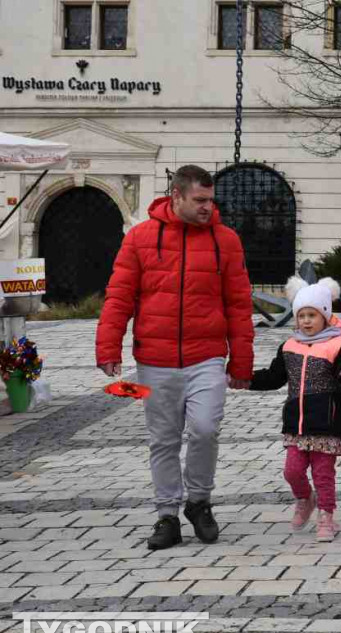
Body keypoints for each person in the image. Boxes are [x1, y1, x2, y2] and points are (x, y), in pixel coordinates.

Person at [96, 165, 255, 550]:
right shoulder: (140, 238)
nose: (207, 207)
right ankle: (167, 514)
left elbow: (238, 304)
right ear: (177, 195)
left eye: (210, 200)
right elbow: (119, 296)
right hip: (154, 360)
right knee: (163, 441)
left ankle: (199, 502)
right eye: (200, 200)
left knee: (204, 429)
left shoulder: (226, 240)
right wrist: (108, 347)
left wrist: (242, 362)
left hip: (207, 358)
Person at [250, 276, 341, 542]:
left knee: (323, 474)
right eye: (302, 316)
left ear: (325, 316)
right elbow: (275, 377)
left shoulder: (338, 345)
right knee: (292, 471)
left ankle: (326, 516)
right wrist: (245, 379)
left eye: (313, 315)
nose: (307, 321)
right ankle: (304, 499)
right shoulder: (289, 346)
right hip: (296, 424)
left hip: (326, 423)